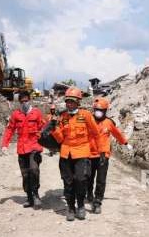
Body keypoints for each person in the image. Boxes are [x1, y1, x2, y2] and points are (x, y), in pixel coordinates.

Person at [51, 87, 104, 221]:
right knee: (68, 182)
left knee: (81, 180)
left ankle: (80, 206)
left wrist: (101, 150)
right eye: (67, 101)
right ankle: (70, 207)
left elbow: (96, 134)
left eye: (72, 101)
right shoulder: (63, 117)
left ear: (78, 102)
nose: (69, 104)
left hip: (82, 153)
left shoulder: (86, 115)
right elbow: (60, 139)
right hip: (66, 154)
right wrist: (54, 129)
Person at [88, 97, 132, 214]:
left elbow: (118, 134)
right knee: (88, 178)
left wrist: (126, 143)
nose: (98, 112)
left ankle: (97, 202)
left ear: (105, 111)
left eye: (101, 110)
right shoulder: (88, 121)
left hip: (103, 155)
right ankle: (89, 194)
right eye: (96, 109)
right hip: (89, 154)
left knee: (101, 180)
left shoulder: (109, 123)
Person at [1, 90, 44, 209]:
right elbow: (10, 129)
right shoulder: (16, 115)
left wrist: (50, 143)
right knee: (25, 175)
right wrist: (5, 144)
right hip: (22, 148)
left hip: (34, 147)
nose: (24, 103)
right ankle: (29, 197)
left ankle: (35, 194)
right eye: (22, 101)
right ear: (19, 102)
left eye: (26, 101)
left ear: (30, 100)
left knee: (34, 170)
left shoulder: (37, 113)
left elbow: (43, 128)